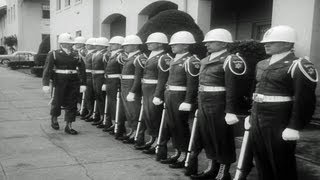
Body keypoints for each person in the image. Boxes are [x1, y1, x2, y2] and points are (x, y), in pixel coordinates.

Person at [246, 25, 317, 180]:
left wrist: (294, 126)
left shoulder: (298, 65)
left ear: (288, 43)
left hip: (279, 120)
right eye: (266, 42)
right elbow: (255, 91)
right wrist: (251, 114)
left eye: (273, 41)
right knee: (261, 159)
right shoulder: (261, 64)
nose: (266, 44)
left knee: (281, 161)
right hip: (258, 118)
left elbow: (304, 100)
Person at [189, 29, 247, 180]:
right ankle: (211, 167)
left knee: (221, 138)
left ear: (223, 43)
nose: (207, 44)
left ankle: (223, 171)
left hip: (219, 104)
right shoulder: (204, 60)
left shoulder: (230, 59)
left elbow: (233, 88)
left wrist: (230, 110)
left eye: (211, 42)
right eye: (207, 42)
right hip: (204, 103)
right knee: (207, 136)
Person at [160, 31, 200, 169]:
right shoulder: (175, 59)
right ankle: (178, 152)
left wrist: (188, 101)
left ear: (185, 46)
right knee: (172, 125)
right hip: (171, 95)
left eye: (175, 44)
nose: (172, 46)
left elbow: (192, 83)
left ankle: (184, 155)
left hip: (180, 98)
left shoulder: (191, 60)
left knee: (180, 126)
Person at [133, 32, 172, 153]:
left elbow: (162, 78)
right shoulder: (152, 55)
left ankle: (159, 141)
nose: (148, 44)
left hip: (154, 90)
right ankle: (153, 138)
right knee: (148, 116)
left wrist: (158, 95)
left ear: (160, 44)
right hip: (147, 89)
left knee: (156, 117)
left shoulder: (164, 57)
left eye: (151, 42)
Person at [42, 33, 86, 135]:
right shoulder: (54, 53)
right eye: (69, 43)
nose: (71, 45)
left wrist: (83, 83)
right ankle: (54, 119)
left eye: (72, 43)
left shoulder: (76, 54)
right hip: (59, 80)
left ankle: (69, 125)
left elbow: (82, 69)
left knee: (72, 103)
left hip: (73, 81)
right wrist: (45, 83)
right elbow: (47, 69)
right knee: (57, 101)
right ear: (62, 43)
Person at [119, 35, 145, 147]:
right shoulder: (130, 57)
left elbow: (138, 77)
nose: (125, 47)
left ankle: (138, 134)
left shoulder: (139, 57)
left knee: (135, 112)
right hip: (125, 86)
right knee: (129, 112)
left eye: (127, 45)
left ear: (135, 45)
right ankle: (132, 131)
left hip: (131, 87)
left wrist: (133, 91)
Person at [100, 36, 125, 132]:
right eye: (110, 44)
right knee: (111, 103)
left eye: (113, 44)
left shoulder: (121, 55)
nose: (110, 45)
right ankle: (113, 123)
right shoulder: (112, 54)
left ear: (119, 45)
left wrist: (119, 84)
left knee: (116, 104)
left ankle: (119, 125)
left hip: (116, 82)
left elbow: (123, 71)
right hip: (110, 81)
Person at [90, 37, 109, 126]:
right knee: (98, 98)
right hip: (95, 77)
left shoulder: (105, 54)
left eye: (97, 45)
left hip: (101, 78)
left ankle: (104, 118)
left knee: (102, 98)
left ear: (103, 46)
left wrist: (105, 82)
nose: (96, 46)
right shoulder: (96, 53)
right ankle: (101, 117)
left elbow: (106, 69)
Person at [81, 38, 97, 122]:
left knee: (90, 96)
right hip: (86, 76)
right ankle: (89, 111)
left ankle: (92, 112)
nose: (86, 46)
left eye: (88, 44)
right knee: (87, 96)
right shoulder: (88, 53)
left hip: (90, 76)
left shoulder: (93, 54)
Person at [73, 36, 88, 117]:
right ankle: (79, 108)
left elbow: (84, 64)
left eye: (77, 43)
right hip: (78, 73)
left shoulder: (83, 52)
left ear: (82, 43)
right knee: (77, 94)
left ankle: (82, 109)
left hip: (82, 73)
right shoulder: (77, 51)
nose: (75, 45)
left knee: (82, 94)